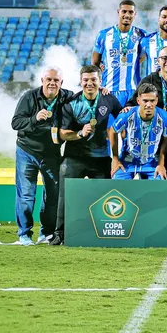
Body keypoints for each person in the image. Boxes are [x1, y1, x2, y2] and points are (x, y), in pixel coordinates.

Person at [54, 65, 122, 245]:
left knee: (106, 196)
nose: (89, 83)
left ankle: (102, 232)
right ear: (80, 81)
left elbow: (122, 115)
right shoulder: (72, 103)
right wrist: (79, 134)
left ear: (100, 81)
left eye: (93, 80)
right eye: (86, 80)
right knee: (64, 193)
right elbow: (62, 133)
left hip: (100, 157)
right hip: (74, 156)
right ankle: (60, 233)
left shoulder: (109, 99)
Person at [10, 66, 74, 245]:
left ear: (61, 83)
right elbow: (15, 122)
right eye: (49, 80)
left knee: (53, 194)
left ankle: (46, 233)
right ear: (42, 81)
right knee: (26, 195)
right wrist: (34, 118)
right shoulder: (29, 97)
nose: (52, 83)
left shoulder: (68, 97)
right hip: (26, 151)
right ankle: (24, 234)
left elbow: (86, 99)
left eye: (56, 80)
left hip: (51, 153)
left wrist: (101, 90)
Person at [109, 83, 167, 180]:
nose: (149, 105)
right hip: (127, 162)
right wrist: (115, 159)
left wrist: (161, 164)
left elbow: (166, 139)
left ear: (157, 101)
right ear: (138, 101)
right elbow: (112, 131)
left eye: (152, 101)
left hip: (151, 163)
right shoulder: (126, 115)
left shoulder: (166, 118)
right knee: (117, 187)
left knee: (160, 189)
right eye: (145, 101)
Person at [92, 0, 148, 105]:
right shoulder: (104, 34)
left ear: (135, 14)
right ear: (118, 12)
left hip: (133, 91)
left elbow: (143, 56)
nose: (127, 15)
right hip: (108, 90)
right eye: (124, 11)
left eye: (131, 12)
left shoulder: (141, 35)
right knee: (111, 122)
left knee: (130, 121)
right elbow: (95, 63)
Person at [127, 46, 167, 113]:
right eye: (164, 58)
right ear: (158, 61)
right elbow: (132, 103)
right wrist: (128, 108)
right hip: (155, 121)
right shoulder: (148, 81)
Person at [139, 5, 167, 78]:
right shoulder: (146, 41)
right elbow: (137, 62)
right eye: (164, 17)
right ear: (158, 19)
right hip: (152, 87)